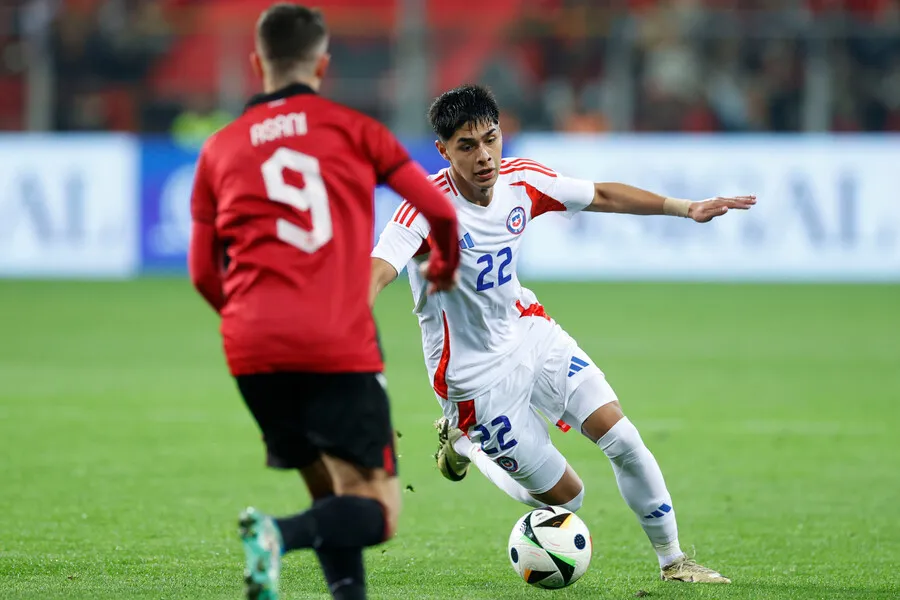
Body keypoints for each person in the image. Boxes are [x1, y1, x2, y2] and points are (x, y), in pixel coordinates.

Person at [369, 84, 755, 584]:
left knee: (623, 438)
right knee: (568, 499)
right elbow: (379, 268)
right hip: (473, 377)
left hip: (530, 331)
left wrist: (686, 208)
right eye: (467, 146)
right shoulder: (422, 208)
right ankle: (463, 443)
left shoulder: (523, 182)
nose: (484, 156)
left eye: (491, 138)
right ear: (443, 151)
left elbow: (602, 194)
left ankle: (674, 561)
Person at [187, 5, 460, 600]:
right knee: (378, 512)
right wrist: (440, 265)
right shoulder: (354, 129)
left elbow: (204, 273)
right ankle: (276, 535)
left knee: (334, 496)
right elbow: (440, 211)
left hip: (251, 348)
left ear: (257, 63)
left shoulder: (218, 149)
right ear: (324, 64)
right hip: (336, 343)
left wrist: (247, 322)